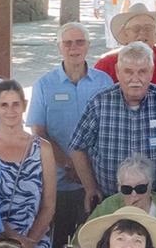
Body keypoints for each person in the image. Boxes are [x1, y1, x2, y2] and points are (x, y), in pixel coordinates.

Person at [69, 41, 156, 217]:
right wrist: (90, 188)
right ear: (118, 72)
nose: (135, 79)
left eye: (142, 72)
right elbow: (77, 146)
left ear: (151, 72)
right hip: (110, 199)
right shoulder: (99, 102)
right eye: (128, 72)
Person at [29, 22, 113, 234]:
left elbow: (111, 128)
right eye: (67, 43)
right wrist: (69, 164)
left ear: (88, 45)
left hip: (98, 179)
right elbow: (38, 132)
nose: (74, 48)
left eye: (79, 42)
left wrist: (85, 169)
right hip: (59, 181)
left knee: (96, 238)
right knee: (60, 239)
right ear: (59, 47)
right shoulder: (44, 85)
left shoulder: (104, 82)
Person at [0, 81, 57, 248]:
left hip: (34, 247)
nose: (10, 111)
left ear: (24, 105)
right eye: (4, 105)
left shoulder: (43, 148)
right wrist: (13, 239)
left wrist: (29, 243)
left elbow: (49, 205)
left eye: (15, 104)